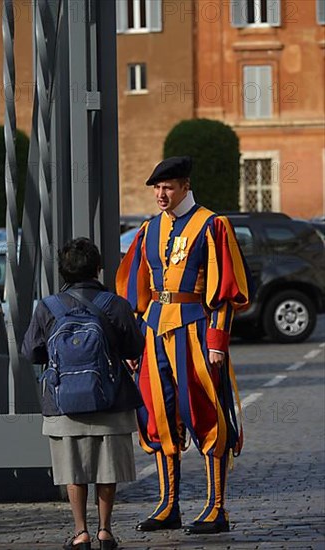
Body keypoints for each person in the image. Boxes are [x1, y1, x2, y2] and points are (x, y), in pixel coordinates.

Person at [116, 156, 254, 535]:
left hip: (195, 330)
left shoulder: (212, 226)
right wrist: (134, 341)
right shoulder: (149, 229)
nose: (162, 194)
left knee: (205, 412)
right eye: (158, 188)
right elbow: (136, 290)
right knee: (157, 417)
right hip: (153, 332)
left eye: (169, 187)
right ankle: (168, 504)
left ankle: (216, 507)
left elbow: (225, 292)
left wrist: (217, 342)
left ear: (185, 187)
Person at [22, 237, 145, 550]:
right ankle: (105, 530)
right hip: (112, 397)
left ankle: (81, 533)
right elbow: (134, 347)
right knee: (107, 469)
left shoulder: (47, 307)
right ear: (99, 269)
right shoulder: (116, 305)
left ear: (63, 273)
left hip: (64, 401)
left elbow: (31, 352)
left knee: (73, 469)